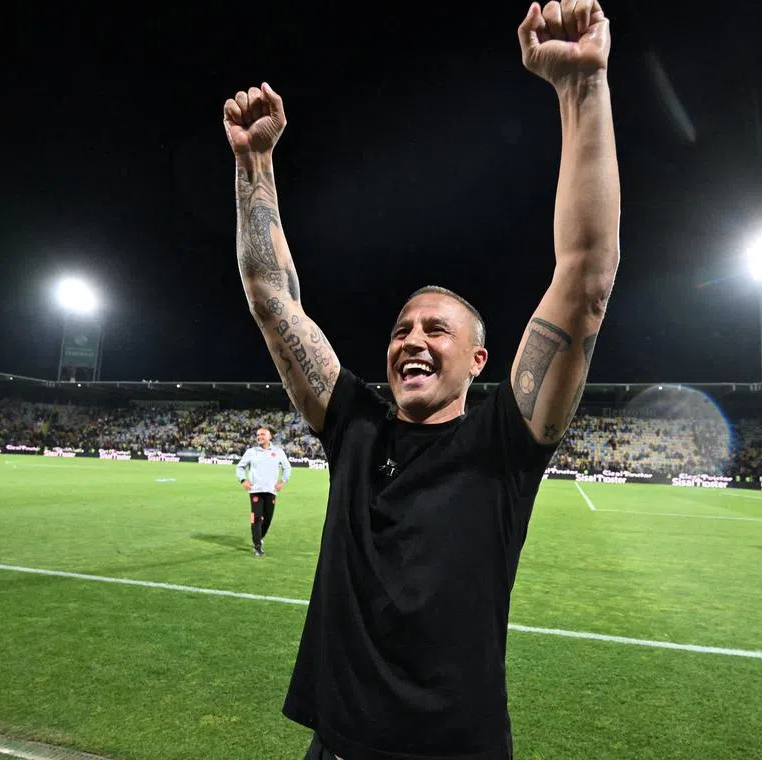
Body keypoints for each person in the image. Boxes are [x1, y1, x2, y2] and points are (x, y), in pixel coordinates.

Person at [222, 2, 619, 757]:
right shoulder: (356, 425)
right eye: (403, 327)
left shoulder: (507, 441)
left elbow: (587, 278)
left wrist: (582, 89)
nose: (412, 338)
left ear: (479, 361)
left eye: (437, 328)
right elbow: (272, 299)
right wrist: (254, 163)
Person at [235, 426, 292, 556]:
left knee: (268, 518)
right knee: (256, 518)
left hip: (271, 490)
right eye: (258, 435)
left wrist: (283, 481)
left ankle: (259, 537)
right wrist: (243, 480)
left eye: (262, 435)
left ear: (269, 436)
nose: (259, 437)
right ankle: (257, 546)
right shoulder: (251, 452)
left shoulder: (278, 452)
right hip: (255, 490)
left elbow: (287, 468)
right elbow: (240, 467)